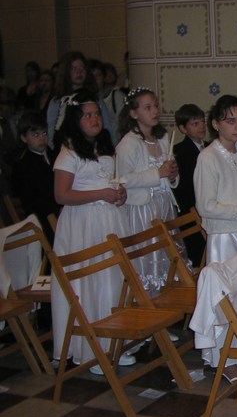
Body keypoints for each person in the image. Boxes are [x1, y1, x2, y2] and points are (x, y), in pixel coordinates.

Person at [50, 91, 131, 372]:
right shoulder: (69, 152)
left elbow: (109, 180)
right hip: (83, 224)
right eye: (87, 115)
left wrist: (119, 194)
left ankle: (114, 341)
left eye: (97, 113)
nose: (95, 119)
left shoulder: (104, 146)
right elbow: (61, 195)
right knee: (90, 282)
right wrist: (100, 194)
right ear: (76, 119)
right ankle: (92, 351)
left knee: (112, 281)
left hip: (109, 220)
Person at [193, 94, 237, 382]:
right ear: (216, 124)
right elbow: (206, 206)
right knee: (225, 297)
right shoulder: (208, 158)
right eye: (230, 121)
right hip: (224, 236)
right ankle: (221, 358)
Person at [116, 87, 181, 295]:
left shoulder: (163, 139)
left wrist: (172, 175)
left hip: (164, 205)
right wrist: (157, 173)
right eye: (147, 107)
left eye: (155, 106)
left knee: (168, 254)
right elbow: (123, 179)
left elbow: (169, 174)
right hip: (143, 209)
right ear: (134, 113)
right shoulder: (129, 143)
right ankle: (149, 298)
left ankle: (168, 297)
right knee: (148, 258)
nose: (154, 111)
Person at [47, 51, 116, 146]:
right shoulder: (57, 102)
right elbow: (51, 132)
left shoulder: (95, 100)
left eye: (82, 68)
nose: (79, 72)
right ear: (66, 71)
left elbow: (107, 128)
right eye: (74, 68)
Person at [11, 111, 59, 242]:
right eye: (35, 135)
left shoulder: (54, 155)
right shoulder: (24, 166)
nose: (41, 138)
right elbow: (33, 200)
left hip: (60, 209)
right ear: (24, 138)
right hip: (43, 218)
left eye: (44, 133)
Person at [172, 103, 208, 266]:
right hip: (191, 209)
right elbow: (182, 187)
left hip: (209, 205)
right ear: (183, 128)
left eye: (202, 122)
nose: (201, 127)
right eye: (195, 124)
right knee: (197, 254)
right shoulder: (179, 151)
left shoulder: (210, 147)